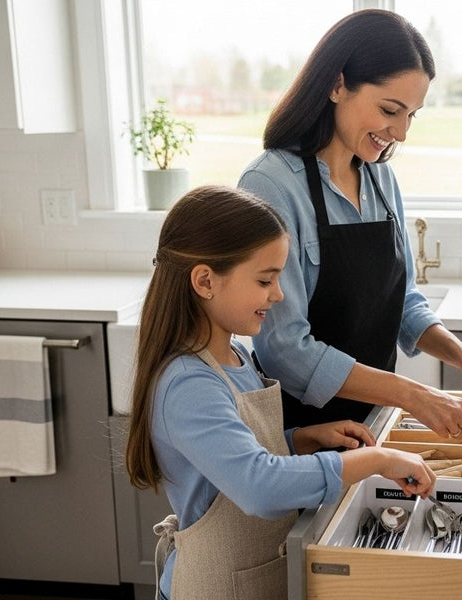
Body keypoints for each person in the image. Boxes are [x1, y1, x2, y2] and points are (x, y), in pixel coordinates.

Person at [125, 185, 436, 600]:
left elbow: (237, 457)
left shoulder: (233, 355)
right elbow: (259, 486)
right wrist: (375, 459)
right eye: (265, 279)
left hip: (256, 576)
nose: (279, 293)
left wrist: (302, 440)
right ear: (205, 281)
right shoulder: (188, 383)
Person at [238, 9, 462, 442]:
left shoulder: (379, 177)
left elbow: (401, 299)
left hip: (374, 425)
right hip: (308, 435)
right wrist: (414, 394)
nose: (401, 132)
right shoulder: (270, 185)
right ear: (337, 84)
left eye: (412, 115)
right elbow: (283, 350)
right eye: (390, 109)